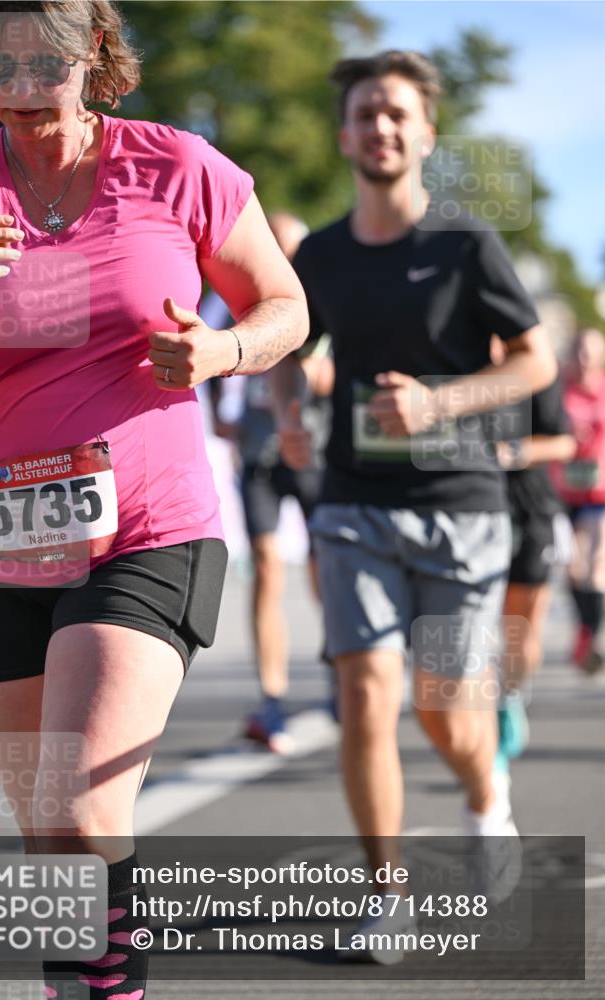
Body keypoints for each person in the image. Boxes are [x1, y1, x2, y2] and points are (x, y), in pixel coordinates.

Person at [0, 2, 307, 995]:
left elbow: (285, 306)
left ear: (93, 54)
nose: (19, 82)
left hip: (142, 531)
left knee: (84, 809)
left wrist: (224, 350)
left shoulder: (177, 166)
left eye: (43, 57)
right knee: (48, 840)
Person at [271, 50, 557, 962]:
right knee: (364, 696)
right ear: (344, 133)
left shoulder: (464, 246)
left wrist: (440, 402)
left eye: (396, 113)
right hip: (353, 502)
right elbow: (288, 345)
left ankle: (486, 800)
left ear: (424, 132)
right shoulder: (318, 254)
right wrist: (289, 411)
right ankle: (383, 892)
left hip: (461, 508)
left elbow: (533, 362)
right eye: (363, 114)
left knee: (449, 712)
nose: (380, 128)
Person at [216, 212, 333, 753]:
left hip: (311, 451)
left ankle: (341, 670)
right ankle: (271, 697)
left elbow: (336, 373)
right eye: (276, 248)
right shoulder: (233, 295)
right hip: (259, 456)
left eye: (292, 250)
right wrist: (225, 413)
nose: (283, 260)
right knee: (265, 568)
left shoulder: (318, 302)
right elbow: (212, 357)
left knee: (324, 567)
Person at [490, 335, 576, 766]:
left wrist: (513, 452)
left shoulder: (537, 373)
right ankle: (478, 704)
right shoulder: (455, 370)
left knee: (523, 624)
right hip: (475, 510)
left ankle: (511, 698)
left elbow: (564, 443)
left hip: (532, 511)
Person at [551, 327, 605, 674]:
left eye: (592, 352)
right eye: (580, 351)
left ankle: (595, 640)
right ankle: (584, 631)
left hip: (599, 493)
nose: (585, 359)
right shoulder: (559, 390)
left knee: (596, 564)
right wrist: (568, 433)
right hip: (564, 493)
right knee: (573, 569)